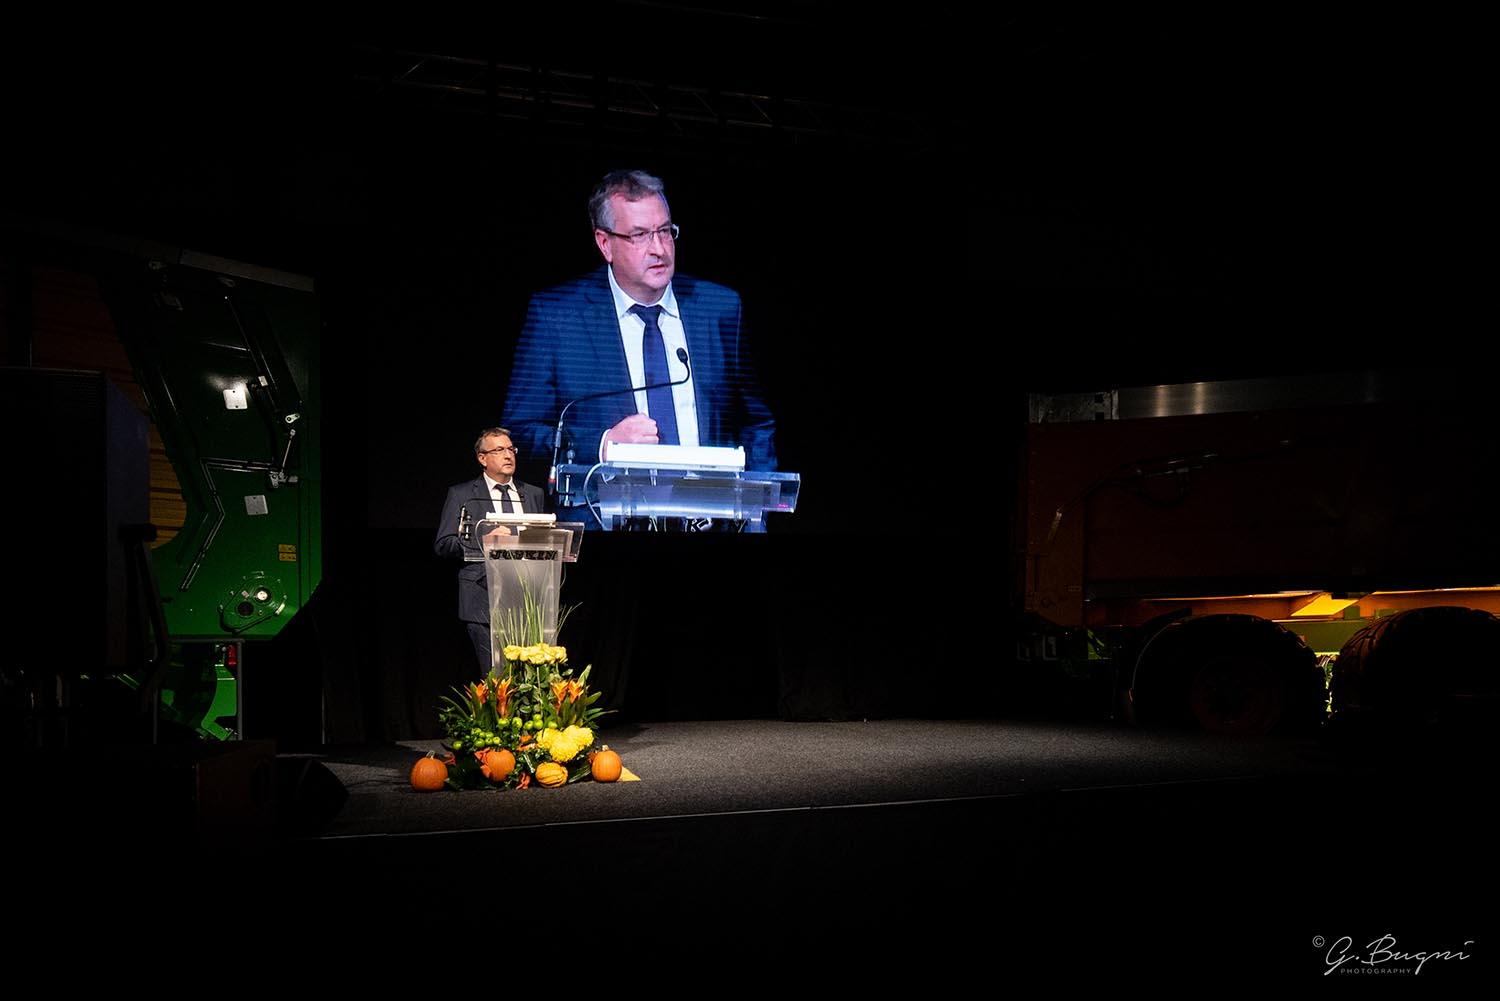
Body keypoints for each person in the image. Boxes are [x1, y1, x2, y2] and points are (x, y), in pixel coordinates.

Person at [501, 169, 777, 528]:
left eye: (665, 231)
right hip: (606, 526)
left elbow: (756, 422)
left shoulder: (719, 308)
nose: (659, 248)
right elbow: (519, 432)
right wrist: (602, 444)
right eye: (639, 235)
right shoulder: (558, 317)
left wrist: (756, 518)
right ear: (605, 243)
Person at [433, 427, 548, 672]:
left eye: (511, 449)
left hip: (528, 598)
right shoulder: (462, 494)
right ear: (482, 458)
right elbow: (444, 544)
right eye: (499, 450)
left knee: (529, 678)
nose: (508, 455)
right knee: (496, 678)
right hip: (483, 598)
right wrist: (485, 539)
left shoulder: (533, 494)